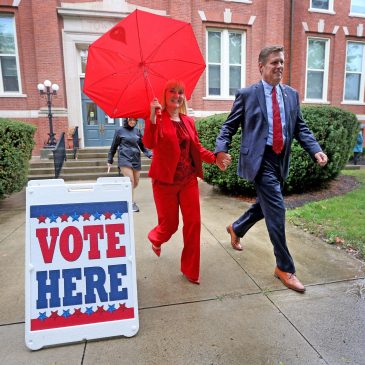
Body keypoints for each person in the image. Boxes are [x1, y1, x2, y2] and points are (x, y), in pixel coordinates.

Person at [215, 45, 328, 293]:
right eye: (275, 62)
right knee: (276, 210)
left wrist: (315, 149)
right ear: (262, 66)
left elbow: (300, 127)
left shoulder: (290, 95)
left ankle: (237, 228)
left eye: (282, 63)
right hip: (259, 159)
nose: (279, 67)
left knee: (265, 205)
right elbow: (228, 127)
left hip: (280, 159)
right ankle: (284, 268)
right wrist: (221, 149)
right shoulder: (247, 94)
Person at [142, 80, 226, 284]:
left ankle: (190, 270)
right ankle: (156, 237)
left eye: (181, 92)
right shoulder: (156, 119)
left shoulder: (188, 121)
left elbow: (196, 148)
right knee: (170, 225)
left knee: (194, 224)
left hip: (188, 180)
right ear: (164, 94)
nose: (177, 95)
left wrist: (215, 158)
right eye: (173, 91)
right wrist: (152, 116)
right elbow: (149, 143)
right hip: (165, 182)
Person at [107, 117, 152, 212]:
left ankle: (125, 194)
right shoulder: (119, 130)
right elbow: (113, 146)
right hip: (124, 158)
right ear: (126, 120)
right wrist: (110, 160)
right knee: (130, 181)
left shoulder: (137, 131)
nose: (132, 122)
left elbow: (142, 146)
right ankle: (130, 203)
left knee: (135, 182)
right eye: (130, 120)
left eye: (134, 120)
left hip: (136, 159)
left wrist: (149, 154)